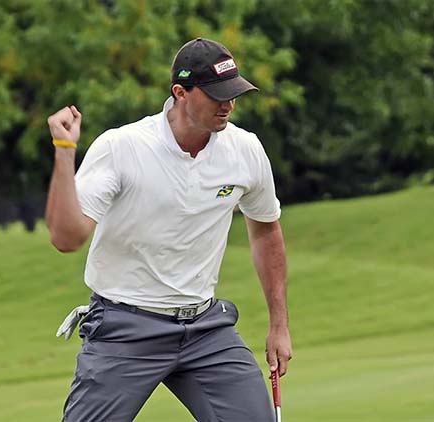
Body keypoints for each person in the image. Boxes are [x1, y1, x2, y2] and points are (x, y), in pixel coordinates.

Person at [46, 38, 292, 422]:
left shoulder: (245, 149)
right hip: (126, 328)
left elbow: (265, 230)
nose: (227, 104)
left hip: (207, 329)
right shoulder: (122, 147)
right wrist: (64, 151)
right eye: (216, 96)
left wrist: (280, 325)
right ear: (180, 93)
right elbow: (67, 238)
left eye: (233, 94)